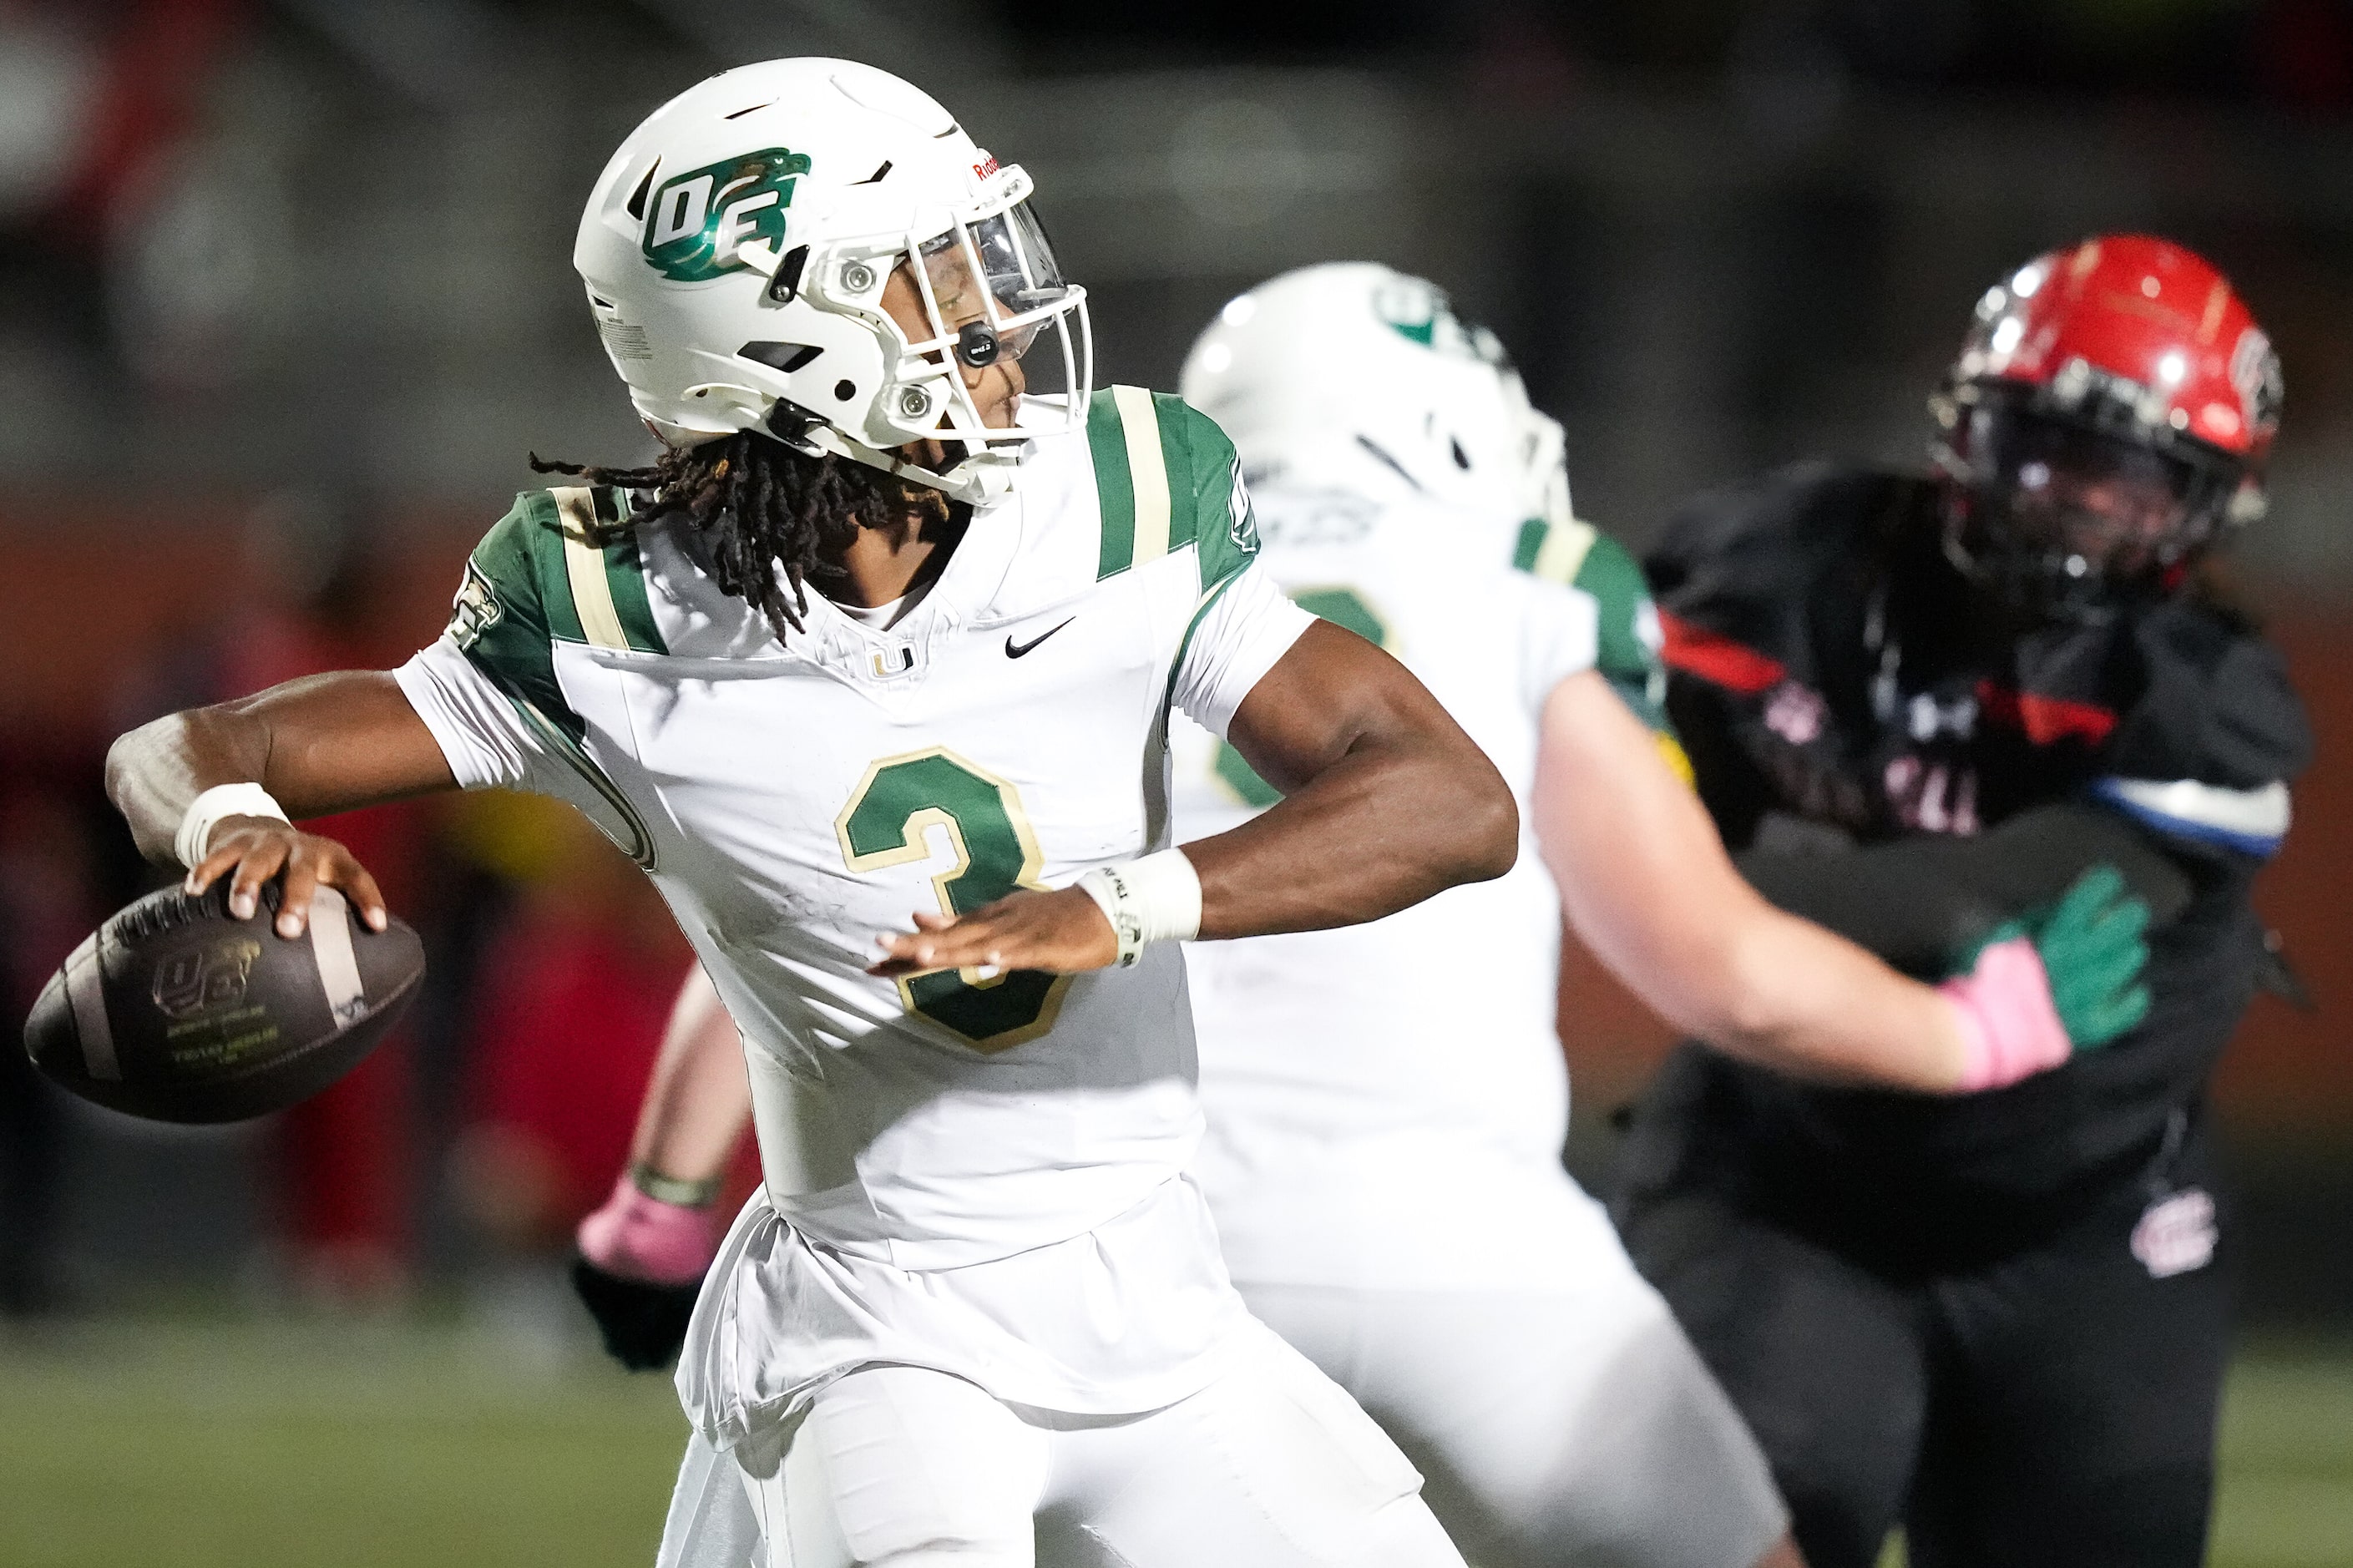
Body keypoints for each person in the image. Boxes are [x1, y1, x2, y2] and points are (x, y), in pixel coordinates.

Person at [104, 58, 1527, 1568]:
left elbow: (1448, 797)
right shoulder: (603, 606)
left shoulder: (1115, 492)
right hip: (880, 1328)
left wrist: (1117, 903)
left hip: (1158, 1298)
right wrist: (231, 817)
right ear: (785, 337)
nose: (992, 311)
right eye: (926, 277)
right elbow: (178, 746)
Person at [571, 262, 2158, 1568]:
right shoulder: (1528, 569)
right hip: (1462, 1247)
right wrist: (1980, 1030)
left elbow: (810, 943)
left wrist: (653, 1204)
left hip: (1119, 1255)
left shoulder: (1075, 565)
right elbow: (1723, 966)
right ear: (1450, 423)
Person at [1609, 234, 2311, 1568]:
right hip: (1791, 1179)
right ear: (1966, 427)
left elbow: (1970, 896)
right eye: (2048, 452)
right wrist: (1667, 868)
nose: (2078, 509)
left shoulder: (2201, 696)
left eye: (2134, 481)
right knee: (1756, 1523)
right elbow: (1602, 774)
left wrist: (1688, 901)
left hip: (2085, 1211)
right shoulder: (1773, 564)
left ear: (2210, 504)